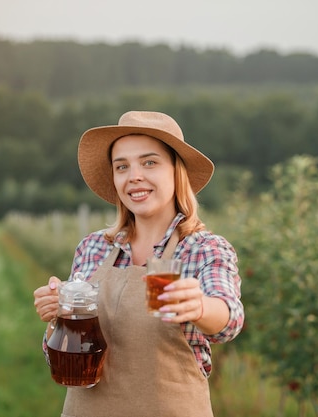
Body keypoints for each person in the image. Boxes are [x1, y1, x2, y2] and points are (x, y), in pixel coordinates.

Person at [33, 110, 244, 417]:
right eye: (122, 166)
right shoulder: (95, 248)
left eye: (149, 162)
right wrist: (59, 313)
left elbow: (229, 319)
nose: (134, 176)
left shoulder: (200, 248)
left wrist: (199, 307)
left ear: (176, 172)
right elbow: (60, 352)